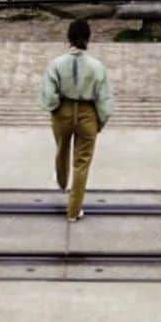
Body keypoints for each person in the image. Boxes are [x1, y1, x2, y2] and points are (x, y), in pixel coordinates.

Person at [39, 18, 114, 222]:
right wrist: (100, 121)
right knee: (82, 163)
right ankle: (73, 210)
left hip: (62, 110)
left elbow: (47, 94)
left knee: (62, 147)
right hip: (87, 112)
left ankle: (62, 181)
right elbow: (104, 99)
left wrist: (55, 107)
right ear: (88, 39)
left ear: (68, 38)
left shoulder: (56, 64)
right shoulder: (97, 67)